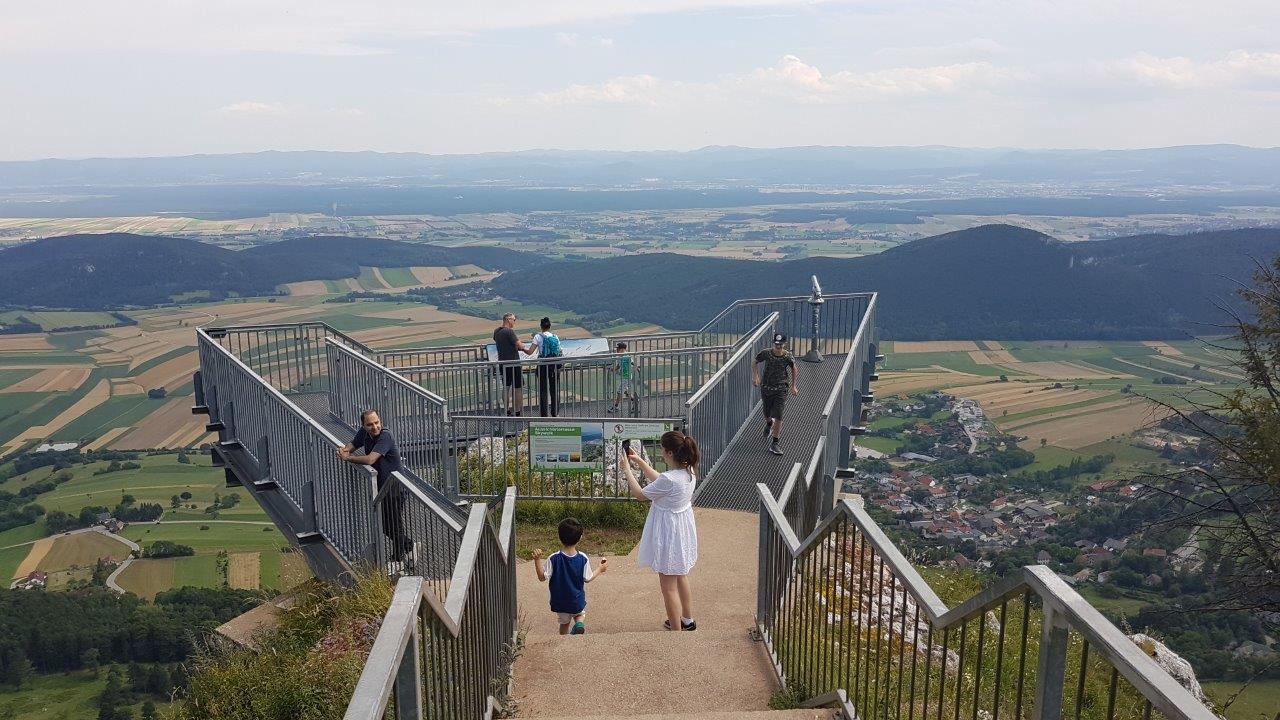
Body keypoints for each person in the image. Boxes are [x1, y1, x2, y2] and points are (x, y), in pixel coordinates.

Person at [619, 430, 699, 631]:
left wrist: (627, 469)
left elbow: (640, 495)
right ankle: (687, 620)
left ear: (670, 453)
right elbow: (661, 481)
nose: (662, 453)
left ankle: (676, 632)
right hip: (681, 531)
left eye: (663, 450)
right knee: (681, 575)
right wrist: (639, 461)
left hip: (668, 534)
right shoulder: (689, 472)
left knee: (668, 588)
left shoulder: (670, 480)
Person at [336, 409, 413, 572]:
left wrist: (348, 458)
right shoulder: (364, 434)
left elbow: (371, 459)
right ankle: (409, 547)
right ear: (363, 426)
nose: (374, 426)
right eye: (370, 424)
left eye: (377, 422)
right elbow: (353, 444)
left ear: (380, 421)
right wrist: (344, 450)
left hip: (395, 486)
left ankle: (398, 558)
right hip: (383, 487)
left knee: (393, 524)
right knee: (387, 525)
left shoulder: (386, 436)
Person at [532, 518, 608, 635]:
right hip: (576, 601)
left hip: (559, 602)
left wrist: (537, 560)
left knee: (564, 624)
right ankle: (579, 624)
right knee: (580, 614)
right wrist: (600, 569)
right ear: (580, 538)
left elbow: (542, 577)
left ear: (559, 537)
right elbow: (588, 578)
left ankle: (564, 641)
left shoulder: (553, 558)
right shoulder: (582, 558)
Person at [752, 332, 800, 456]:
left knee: (778, 414)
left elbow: (794, 368)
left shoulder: (787, 356)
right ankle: (769, 423)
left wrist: (793, 386)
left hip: (781, 388)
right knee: (767, 413)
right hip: (767, 388)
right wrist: (755, 376)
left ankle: (775, 443)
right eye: (776, 344)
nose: (778, 346)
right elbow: (755, 362)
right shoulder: (766, 353)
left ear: (785, 344)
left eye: (781, 344)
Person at [493, 313, 531, 416]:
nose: (514, 322)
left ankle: (506, 410)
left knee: (506, 387)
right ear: (508, 319)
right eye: (514, 320)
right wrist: (522, 345)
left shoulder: (497, 331)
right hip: (514, 363)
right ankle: (517, 411)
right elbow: (520, 345)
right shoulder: (509, 332)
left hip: (502, 363)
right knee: (518, 388)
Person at [524, 317, 563, 417]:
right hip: (554, 366)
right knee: (554, 390)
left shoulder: (538, 336)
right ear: (550, 326)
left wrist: (521, 348)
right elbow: (560, 351)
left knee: (543, 391)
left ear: (541, 326)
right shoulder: (555, 336)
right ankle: (555, 413)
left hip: (543, 366)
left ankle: (544, 415)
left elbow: (530, 352)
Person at [607, 341, 634, 415]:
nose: (617, 350)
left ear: (622, 349)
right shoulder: (620, 357)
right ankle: (635, 402)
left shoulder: (626, 356)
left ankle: (616, 407)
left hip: (627, 377)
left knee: (619, 392)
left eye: (618, 348)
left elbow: (632, 363)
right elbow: (619, 366)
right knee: (626, 392)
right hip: (624, 377)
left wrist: (636, 367)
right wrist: (613, 369)